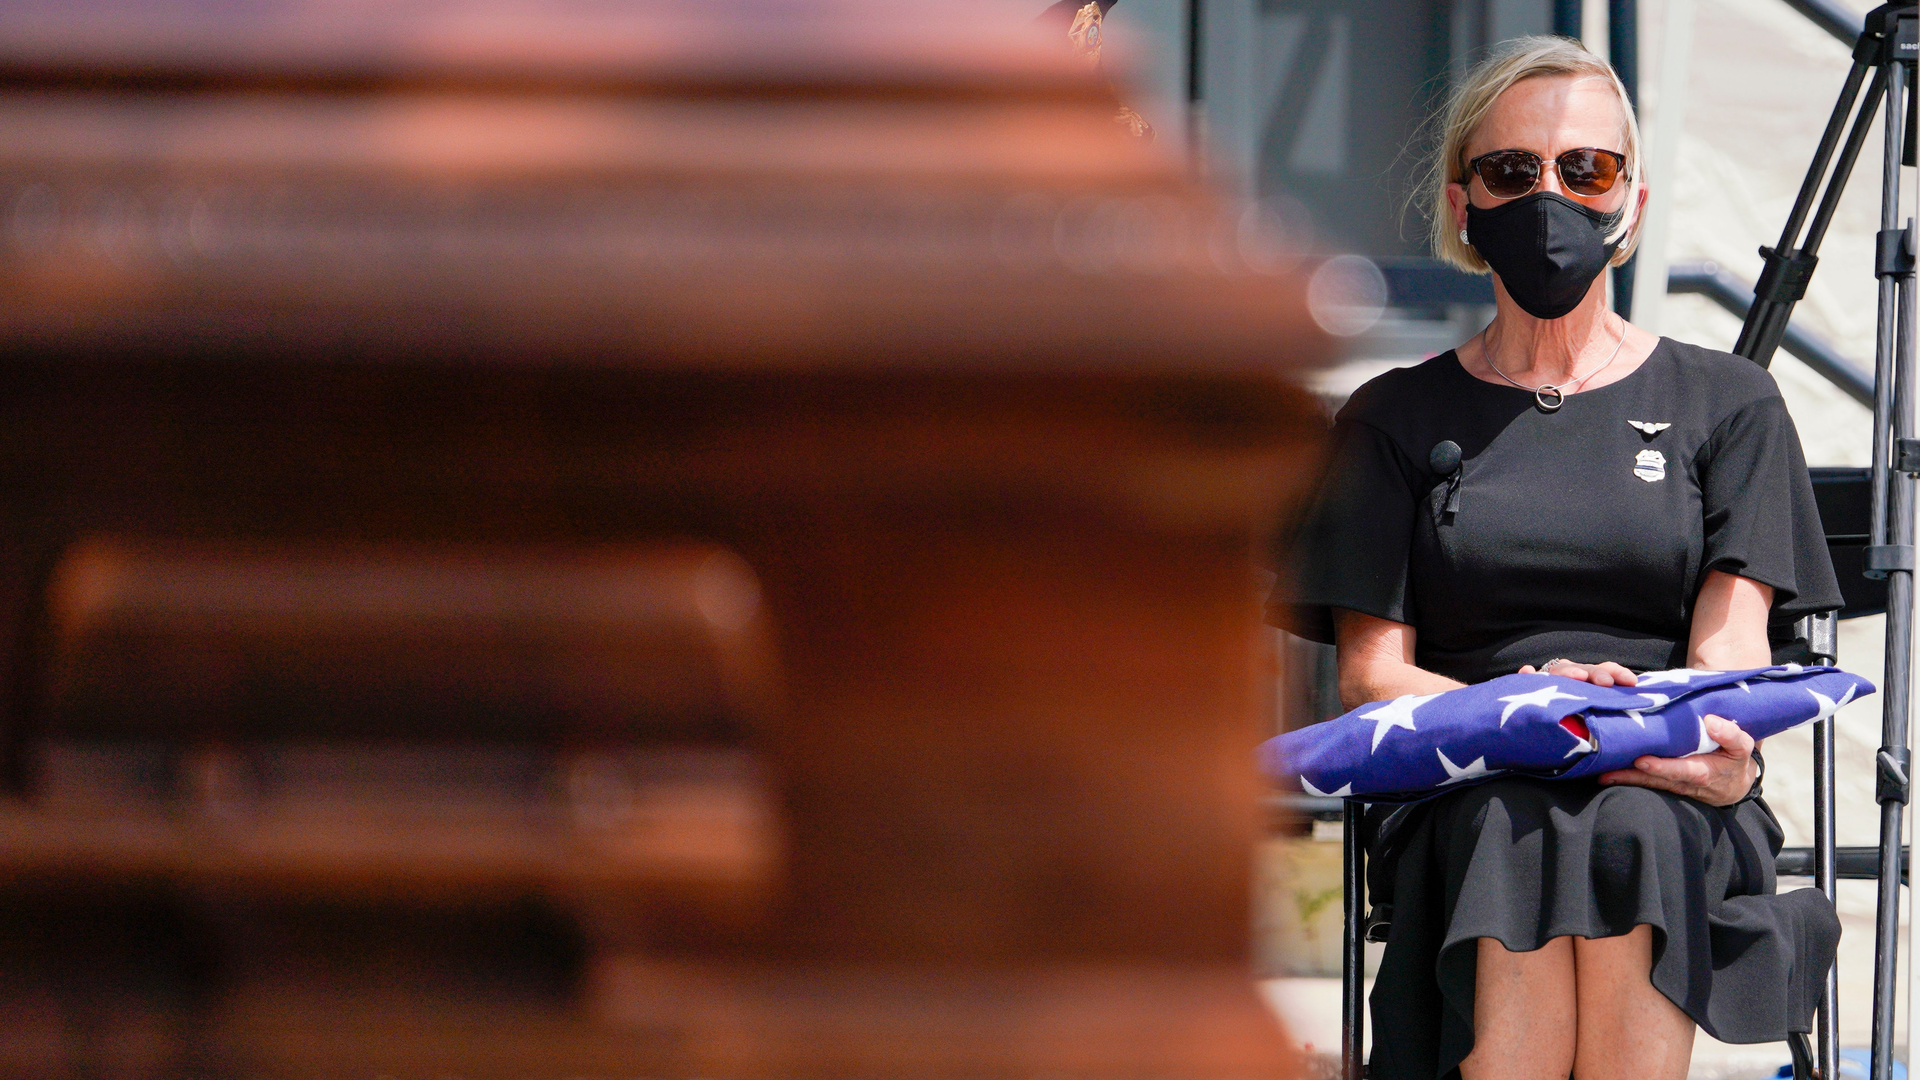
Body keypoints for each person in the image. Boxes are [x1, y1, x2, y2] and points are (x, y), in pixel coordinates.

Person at [1281, 36, 1843, 1080]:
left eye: (1586, 170)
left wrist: (1706, 754)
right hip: (1469, 777)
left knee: (1631, 822)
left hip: (1674, 771)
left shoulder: (1728, 403)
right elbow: (1372, 674)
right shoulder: (1393, 416)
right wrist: (1526, 715)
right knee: (1519, 818)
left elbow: (1732, 652)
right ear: (1463, 205)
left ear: (1628, 203)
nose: (1552, 197)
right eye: (1512, 173)